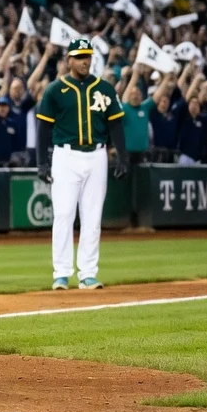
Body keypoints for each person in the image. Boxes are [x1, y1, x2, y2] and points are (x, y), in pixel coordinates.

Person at [36, 39, 127, 291]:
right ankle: (61, 273)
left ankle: (88, 273)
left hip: (97, 155)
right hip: (65, 156)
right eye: (79, 57)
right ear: (69, 60)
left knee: (92, 217)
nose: (84, 61)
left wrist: (122, 156)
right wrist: (41, 162)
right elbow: (43, 128)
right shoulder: (55, 90)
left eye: (87, 56)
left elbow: (115, 124)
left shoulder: (105, 89)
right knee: (64, 214)